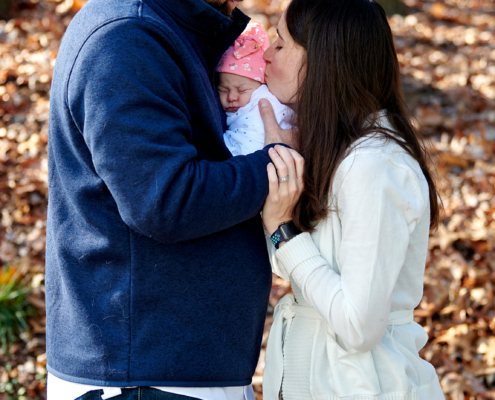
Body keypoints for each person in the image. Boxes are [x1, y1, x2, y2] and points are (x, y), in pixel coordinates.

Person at [45, 0, 294, 399]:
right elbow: (165, 200)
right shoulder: (126, 38)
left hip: (183, 365)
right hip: (142, 373)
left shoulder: (182, 30)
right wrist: (281, 160)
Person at [258, 0, 446, 399]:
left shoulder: (374, 166)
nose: (265, 54)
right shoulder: (328, 149)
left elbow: (358, 326)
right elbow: (292, 268)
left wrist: (283, 230)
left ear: (323, 61)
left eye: (280, 43)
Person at [216, 22, 293, 156]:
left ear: (262, 85)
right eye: (223, 90)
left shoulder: (265, 99)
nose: (231, 97)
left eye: (242, 90)